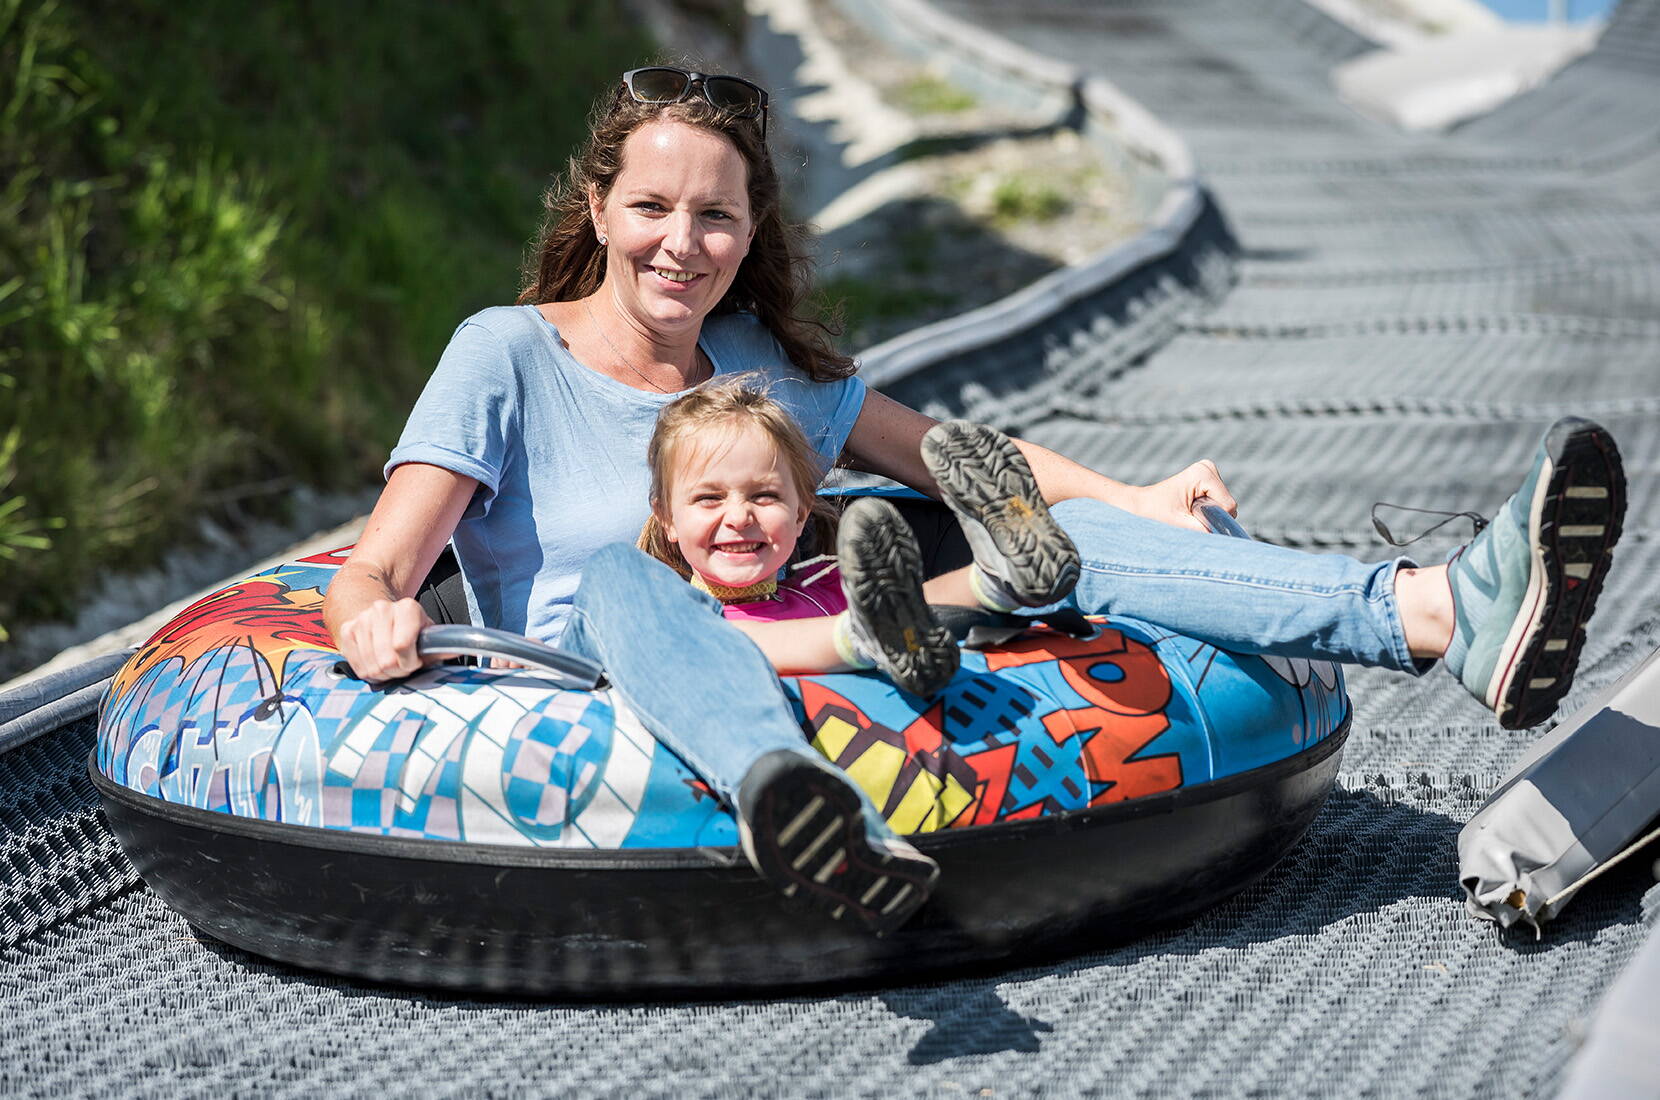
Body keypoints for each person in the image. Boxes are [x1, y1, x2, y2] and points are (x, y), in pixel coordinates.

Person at [323, 65, 1627, 936]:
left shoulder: (758, 370)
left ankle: (1441, 612)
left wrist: (1130, 498)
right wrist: (372, 616)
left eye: (716, 219)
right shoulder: (507, 353)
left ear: (749, 233)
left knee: (1043, 547)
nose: (684, 243)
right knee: (623, 581)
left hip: (804, 640)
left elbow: (953, 457)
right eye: (654, 207)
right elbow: (377, 569)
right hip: (603, 692)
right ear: (599, 207)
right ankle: (790, 799)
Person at [633, 374, 1081, 698]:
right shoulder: (679, 618)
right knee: (729, 644)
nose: (739, 516)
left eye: (765, 496)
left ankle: (1001, 576)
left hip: (898, 715)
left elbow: (921, 611)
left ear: (799, 512)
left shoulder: (826, 582)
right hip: (812, 741)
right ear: (667, 517)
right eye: (709, 498)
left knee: (911, 607)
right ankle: (867, 637)